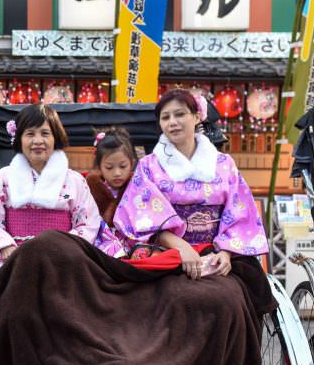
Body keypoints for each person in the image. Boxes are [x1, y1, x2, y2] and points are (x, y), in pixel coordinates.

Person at [113, 89, 268, 279]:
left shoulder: (223, 163)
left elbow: (240, 213)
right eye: (165, 117)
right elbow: (139, 218)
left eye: (180, 114)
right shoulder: (148, 166)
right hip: (166, 252)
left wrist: (226, 252)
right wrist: (181, 247)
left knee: (237, 290)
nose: (172, 122)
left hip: (216, 254)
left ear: (196, 117)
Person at [0, 104, 101, 286]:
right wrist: (5, 244)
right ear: (19, 139)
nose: (38, 140)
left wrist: (62, 248)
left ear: (56, 137)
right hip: (14, 256)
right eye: (30, 134)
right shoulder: (4, 178)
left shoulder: (75, 181)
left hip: (61, 256)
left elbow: (88, 223)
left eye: (45, 133)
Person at [86, 128, 138, 258]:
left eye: (123, 166)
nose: (117, 173)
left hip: (131, 236)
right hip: (100, 237)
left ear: (131, 163)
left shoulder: (137, 184)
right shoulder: (91, 186)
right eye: (109, 167)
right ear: (99, 167)